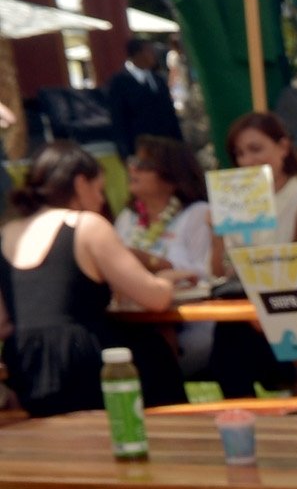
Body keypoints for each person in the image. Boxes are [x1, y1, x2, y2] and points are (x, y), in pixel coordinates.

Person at [2, 141, 180, 413]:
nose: (100, 200)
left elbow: (3, 322)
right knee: (155, 348)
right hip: (81, 359)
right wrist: (167, 278)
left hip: (25, 361)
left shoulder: (7, 232)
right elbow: (154, 298)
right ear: (80, 182)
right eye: (99, 190)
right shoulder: (86, 225)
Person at [119, 135, 212, 286]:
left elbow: (208, 272)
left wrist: (155, 263)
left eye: (145, 165)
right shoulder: (127, 217)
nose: (133, 169)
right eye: (134, 162)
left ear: (173, 177)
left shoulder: (198, 213)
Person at [224, 111, 297, 228]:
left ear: (283, 147)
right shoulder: (230, 210)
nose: (247, 161)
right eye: (239, 154)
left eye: (256, 149)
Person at [100, 37, 180, 148]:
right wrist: (125, 151)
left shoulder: (158, 79)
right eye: (149, 51)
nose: (153, 55)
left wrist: (179, 142)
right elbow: (118, 120)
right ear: (137, 54)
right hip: (141, 148)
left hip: (167, 146)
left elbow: (170, 114)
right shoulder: (120, 83)